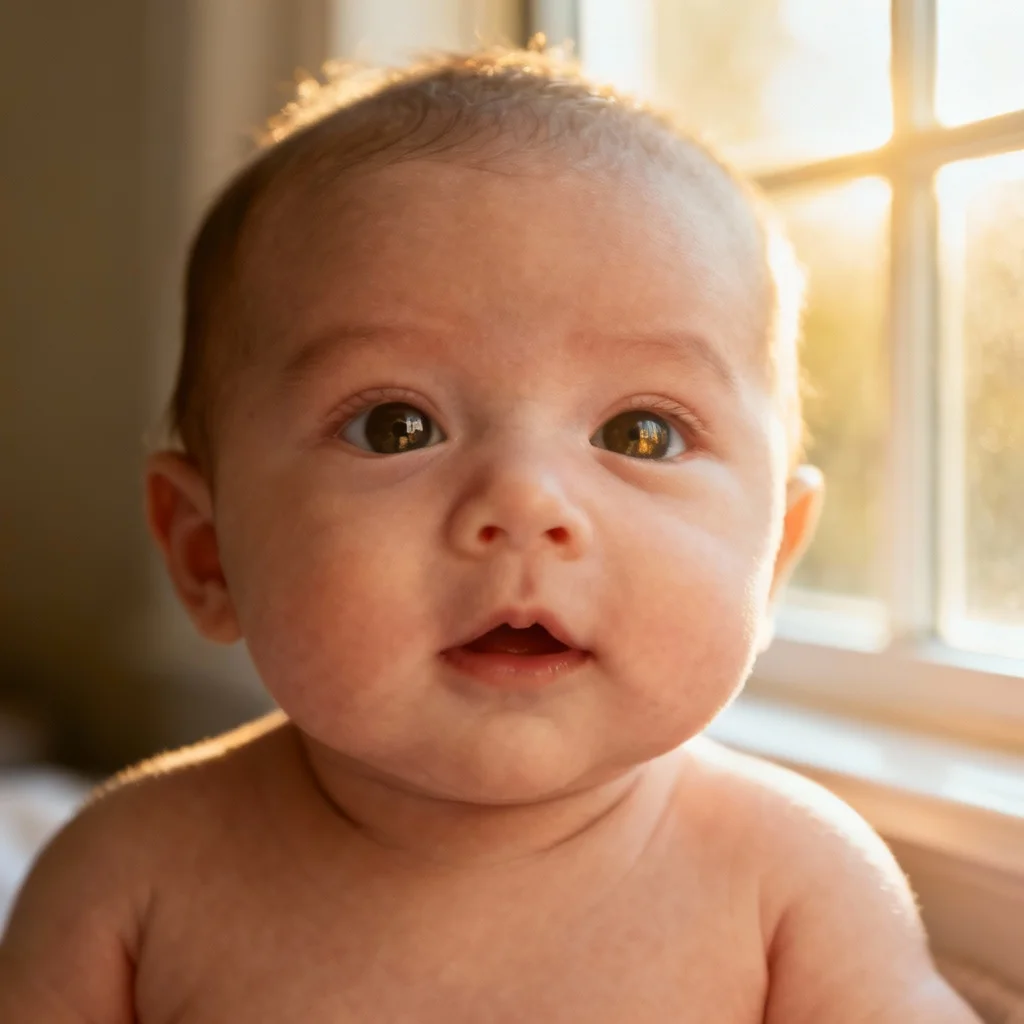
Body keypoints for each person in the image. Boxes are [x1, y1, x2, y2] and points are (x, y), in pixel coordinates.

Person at [0, 45, 980, 1022]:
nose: (524, 501)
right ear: (205, 553)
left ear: (771, 559)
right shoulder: (128, 877)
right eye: (397, 426)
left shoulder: (792, 882)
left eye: (642, 433)